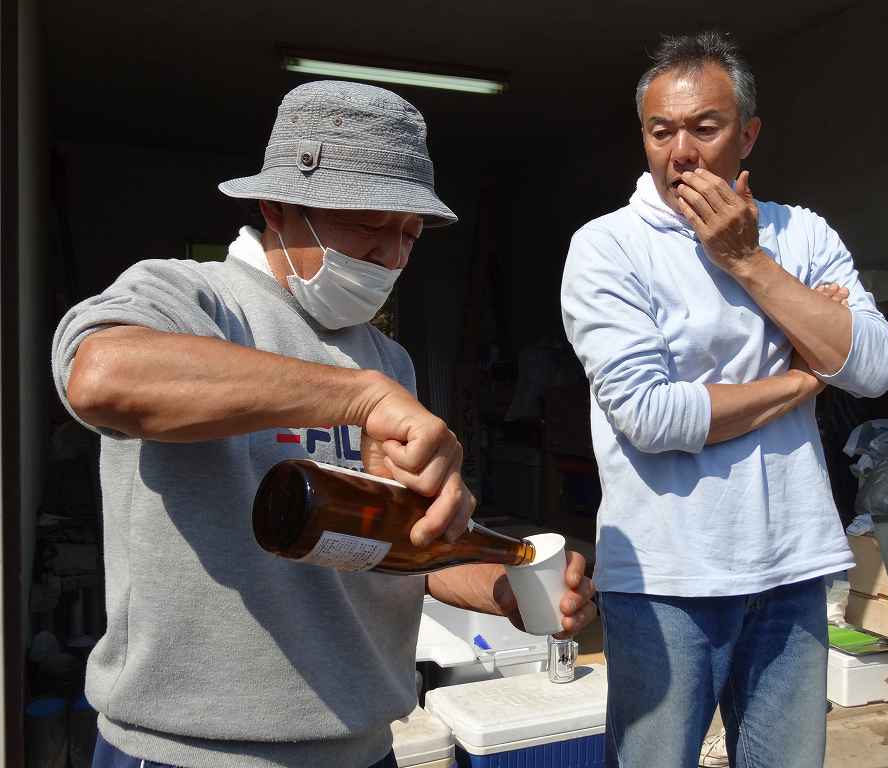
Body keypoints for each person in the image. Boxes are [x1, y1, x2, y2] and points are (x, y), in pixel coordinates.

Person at [52, 80, 596, 768]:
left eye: (409, 235)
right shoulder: (191, 299)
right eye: (370, 225)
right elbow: (101, 378)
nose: (392, 257)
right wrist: (357, 399)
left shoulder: (387, 358)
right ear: (277, 207)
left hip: (363, 747)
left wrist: (500, 588)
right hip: (191, 751)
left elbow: (386, 548)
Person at [559, 32, 888, 768]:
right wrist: (805, 376)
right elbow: (652, 416)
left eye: (705, 128)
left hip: (792, 565)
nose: (681, 152)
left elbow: (874, 367)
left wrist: (747, 260)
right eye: (661, 131)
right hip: (666, 577)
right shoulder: (608, 247)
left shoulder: (799, 233)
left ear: (747, 135)